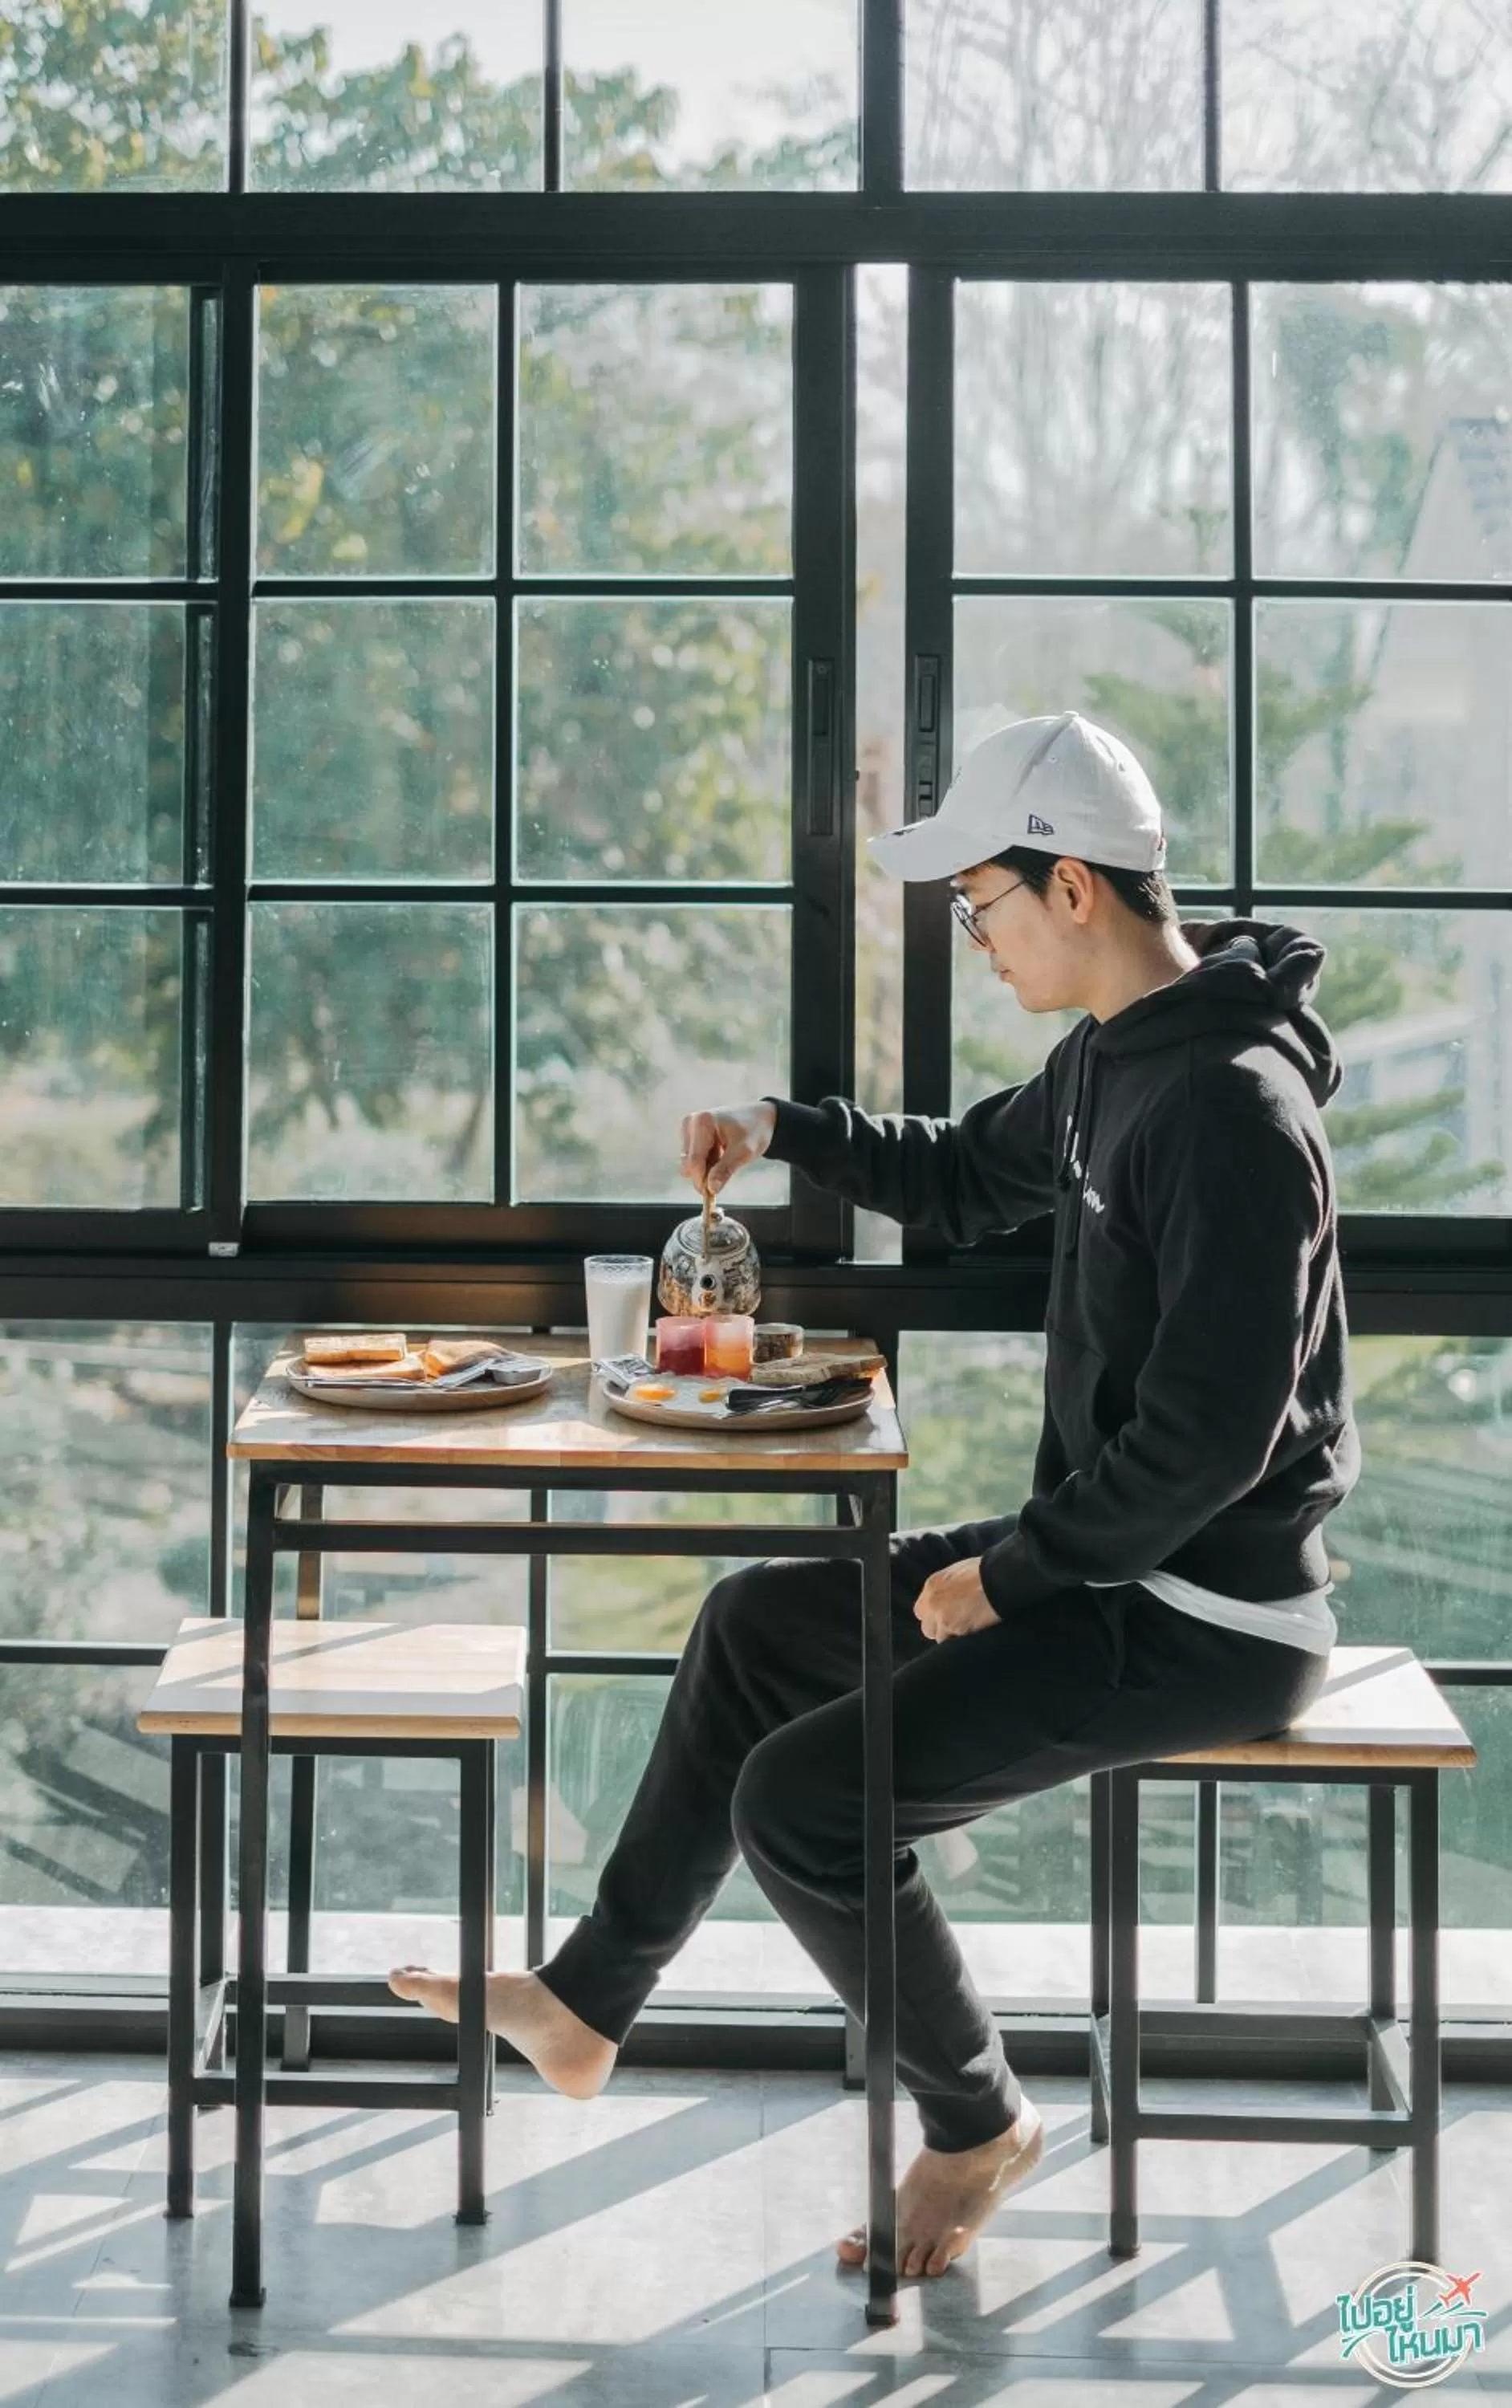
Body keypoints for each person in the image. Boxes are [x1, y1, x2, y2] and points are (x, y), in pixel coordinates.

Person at [392, 708, 1362, 2282]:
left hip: (1207, 1613)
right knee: (759, 1623)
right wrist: (788, 1134)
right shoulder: (1117, 1064)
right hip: (1118, 1572)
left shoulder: (1233, 1108)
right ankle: (585, 2006)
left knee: (807, 1800)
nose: (973, 937)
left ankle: (976, 2122)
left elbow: (1211, 1443)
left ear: (1075, 890)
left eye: (979, 900)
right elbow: (974, 1176)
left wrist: (1018, 1573)